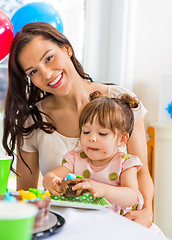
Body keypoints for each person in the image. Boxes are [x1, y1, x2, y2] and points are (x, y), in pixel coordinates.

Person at [3, 22, 153, 227]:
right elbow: (27, 195)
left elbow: (142, 172)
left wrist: (147, 212)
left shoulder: (121, 100)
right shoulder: (34, 121)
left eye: (49, 58)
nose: (46, 74)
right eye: (33, 72)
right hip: (66, 229)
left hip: (124, 224)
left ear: (67, 49)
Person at [43, 92, 164, 236]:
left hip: (120, 225)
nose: (92, 138)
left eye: (102, 134)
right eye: (86, 131)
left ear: (121, 139)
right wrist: (51, 182)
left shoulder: (125, 163)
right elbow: (51, 176)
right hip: (88, 225)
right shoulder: (76, 158)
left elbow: (131, 195)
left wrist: (103, 190)